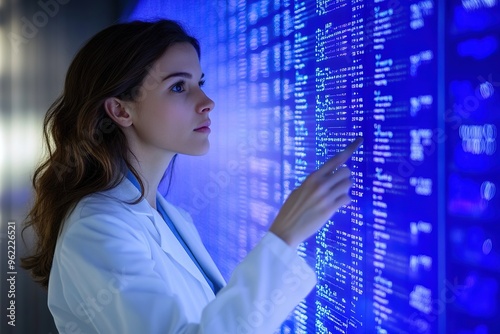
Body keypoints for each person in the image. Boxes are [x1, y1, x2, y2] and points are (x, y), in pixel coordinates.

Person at [21, 19, 363, 333]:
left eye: (199, 83)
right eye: (178, 88)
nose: (207, 101)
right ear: (120, 110)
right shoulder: (95, 229)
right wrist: (284, 236)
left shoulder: (168, 217)